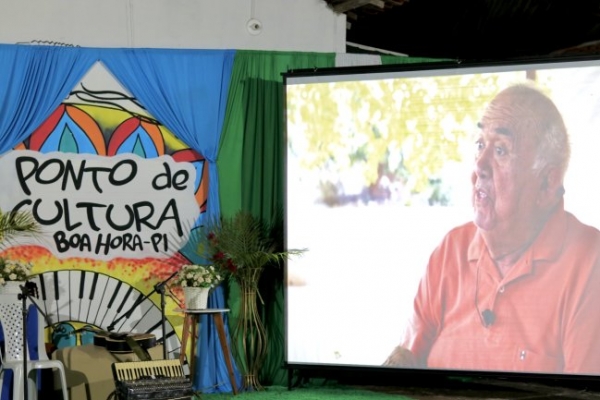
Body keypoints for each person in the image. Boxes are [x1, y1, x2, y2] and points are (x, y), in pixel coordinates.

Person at [383, 83, 600, 374]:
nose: (479, 167)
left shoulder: (589, 263)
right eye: (479, 145)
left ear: (547, 183)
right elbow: (404, 365)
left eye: (500, 150)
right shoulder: (451, 250)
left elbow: (583, 393)